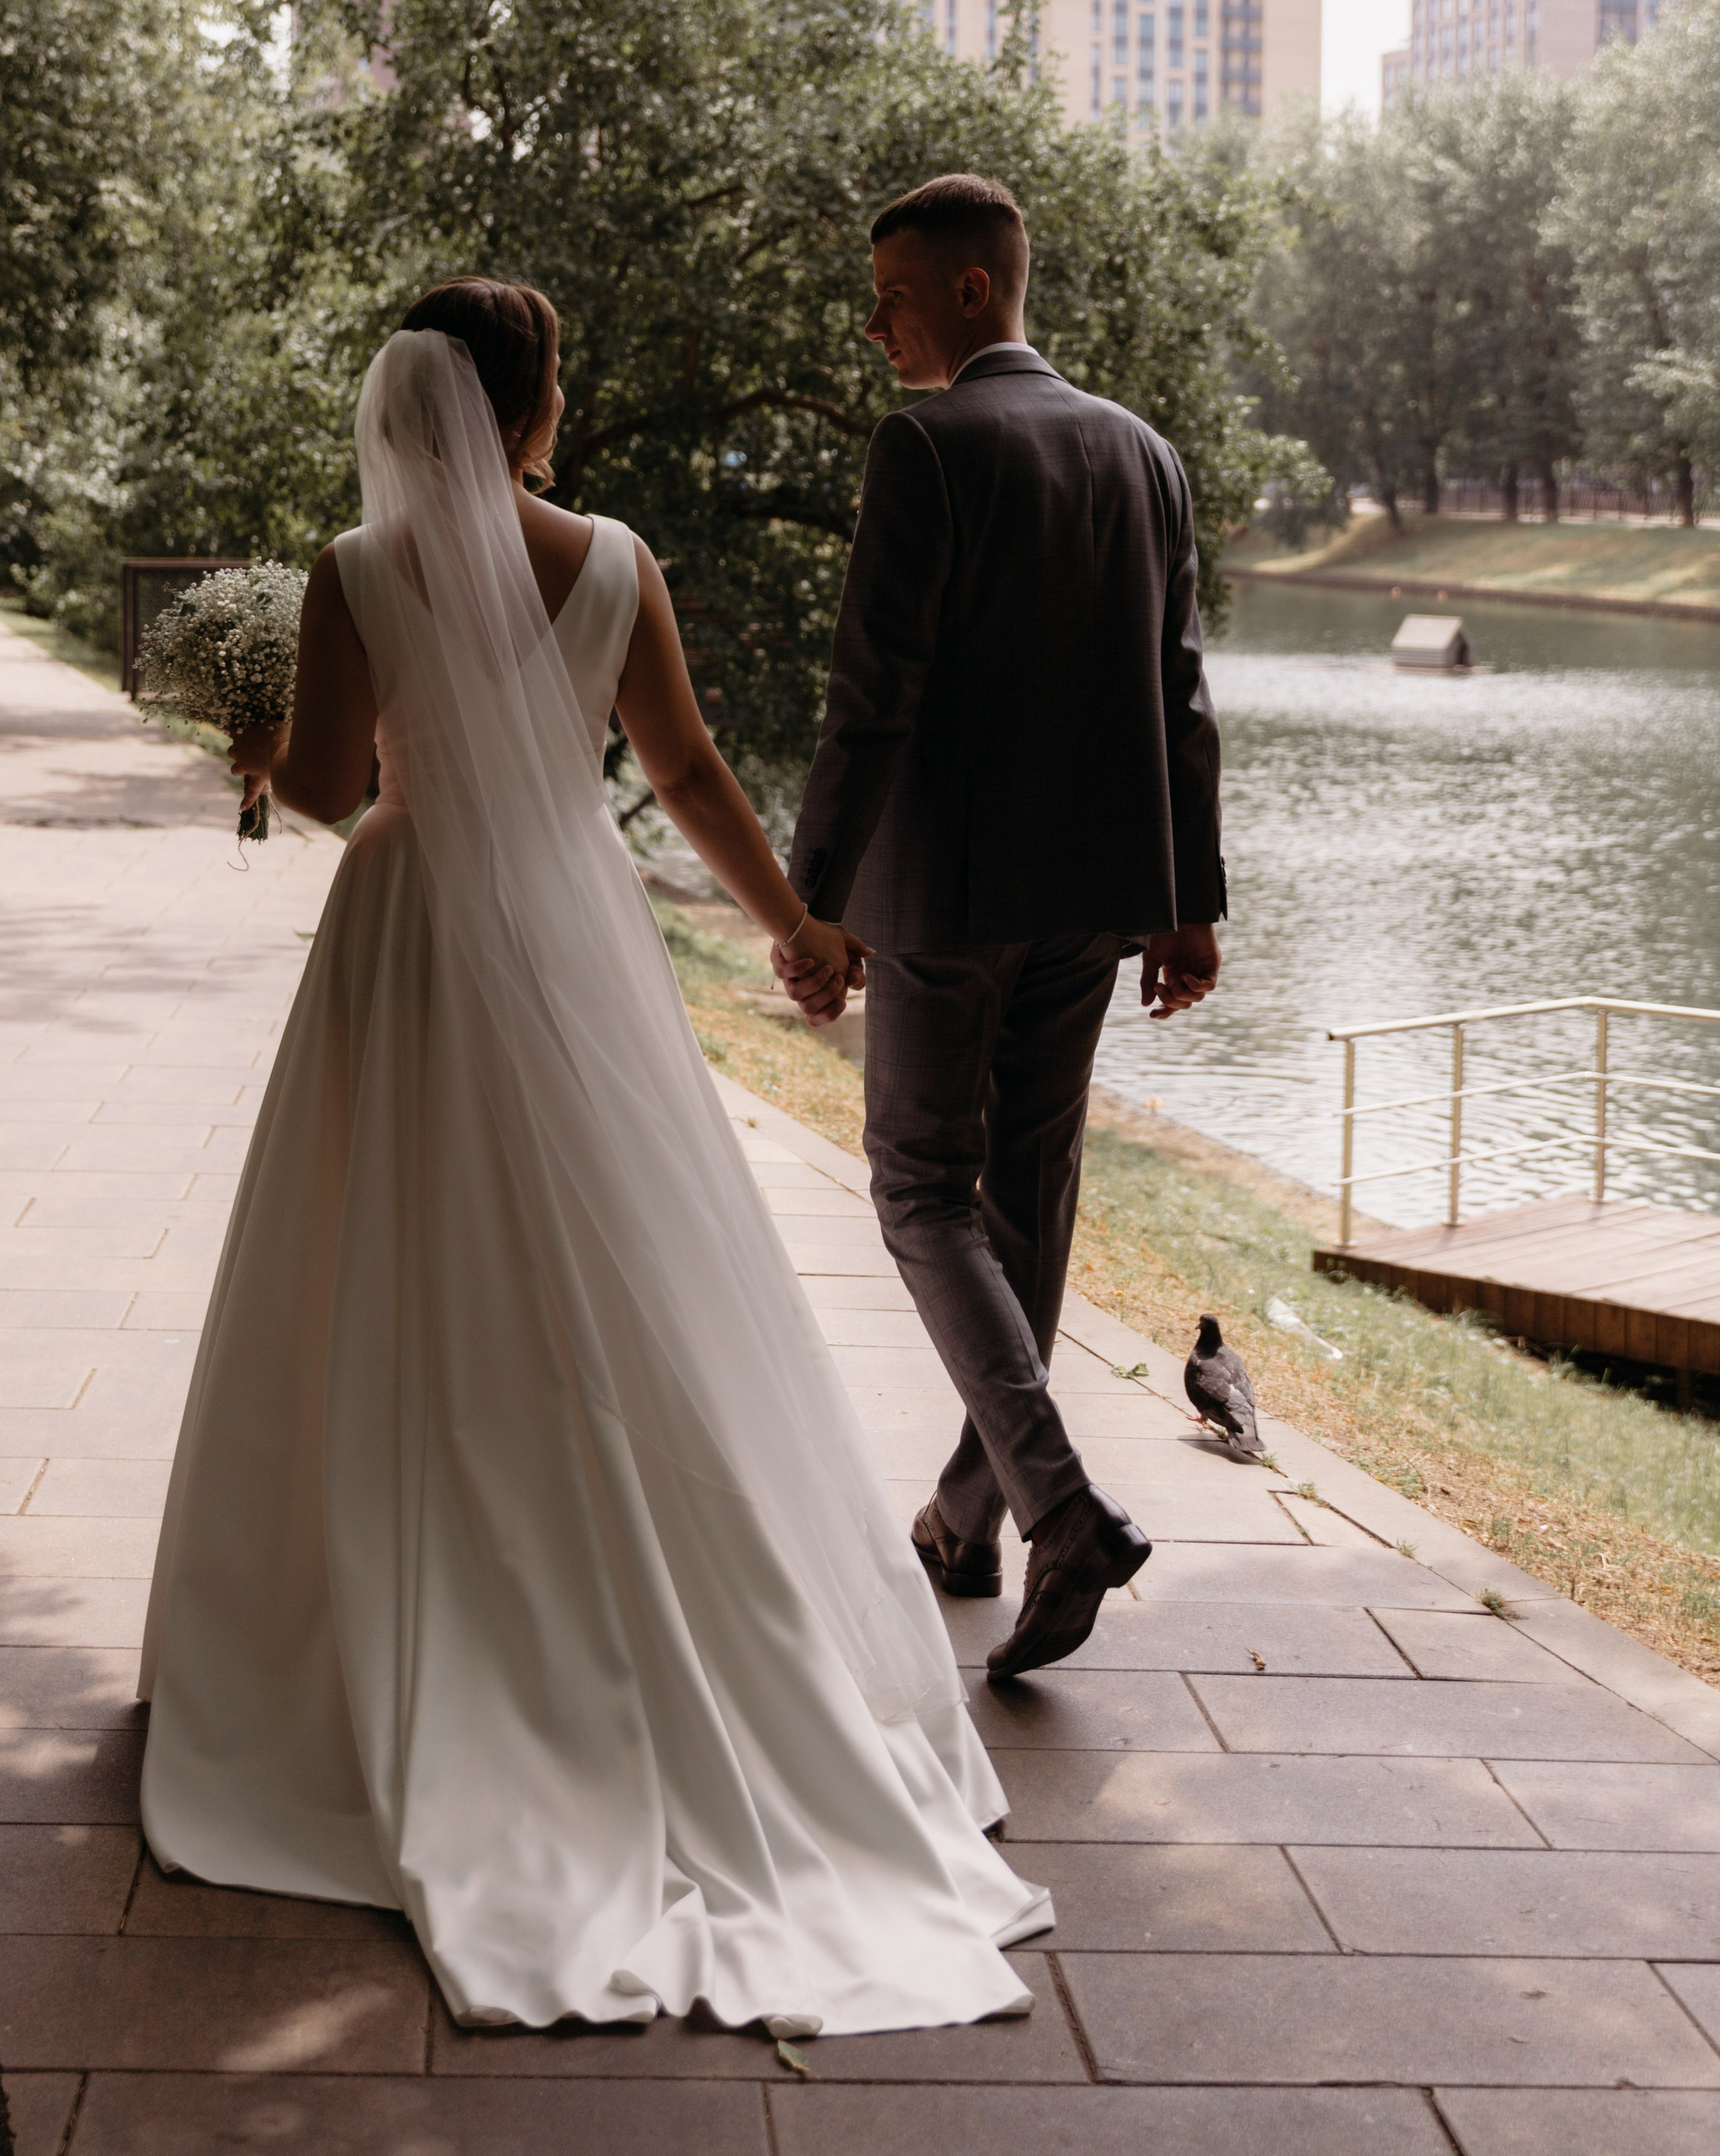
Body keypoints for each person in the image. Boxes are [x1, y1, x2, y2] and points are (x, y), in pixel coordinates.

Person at [138, 279, 1048, 2039]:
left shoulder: (353, 568)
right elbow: (687, 769)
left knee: (393, 1260)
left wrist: (257, 751)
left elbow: (329, 790)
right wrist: (799, 926)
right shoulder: (618, 562)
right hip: (571, 931)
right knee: (628, 1269)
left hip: (410, 934)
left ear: (417, 407)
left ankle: (384, 1627)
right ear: (534, 402)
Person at [775, 174, 1223, 1683]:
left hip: (944, 902)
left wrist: (813, 902)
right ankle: (967, 1524)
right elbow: (1179, 697)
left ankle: (1058, 1510)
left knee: (918, 1191)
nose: (875, 327)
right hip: (1091, 902)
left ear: (972, 290)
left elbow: (870, 697)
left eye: (890, 297)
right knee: (1023, 1206)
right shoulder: (1144, 453)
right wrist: (1185, 902)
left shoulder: (924, 446)